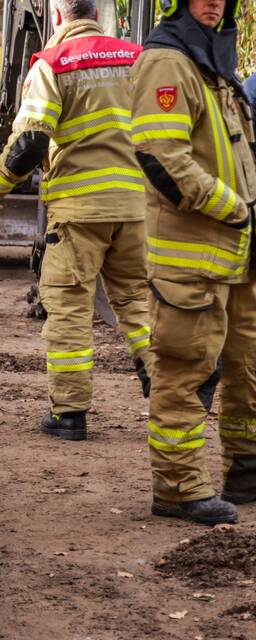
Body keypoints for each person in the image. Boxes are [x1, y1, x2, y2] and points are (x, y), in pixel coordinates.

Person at [131, 0, 256, 525]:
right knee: (186, 374)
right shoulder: (167, 62)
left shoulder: (212, 67)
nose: (215, 3)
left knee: (255, 363)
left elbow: (229, 152)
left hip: (237, 256)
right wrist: (230, 206)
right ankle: (179, 488)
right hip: (192, 260)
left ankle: (250, 470)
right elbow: (161, 156)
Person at [0, 0, 153, 441]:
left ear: (56, 17)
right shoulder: (136, 57)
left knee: (68, 307)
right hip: (133, 205)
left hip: (79, 210)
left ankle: (69, 415)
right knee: (137, 303)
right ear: (97, 14)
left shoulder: (53, 63)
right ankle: (165, 390)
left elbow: (29, 145)